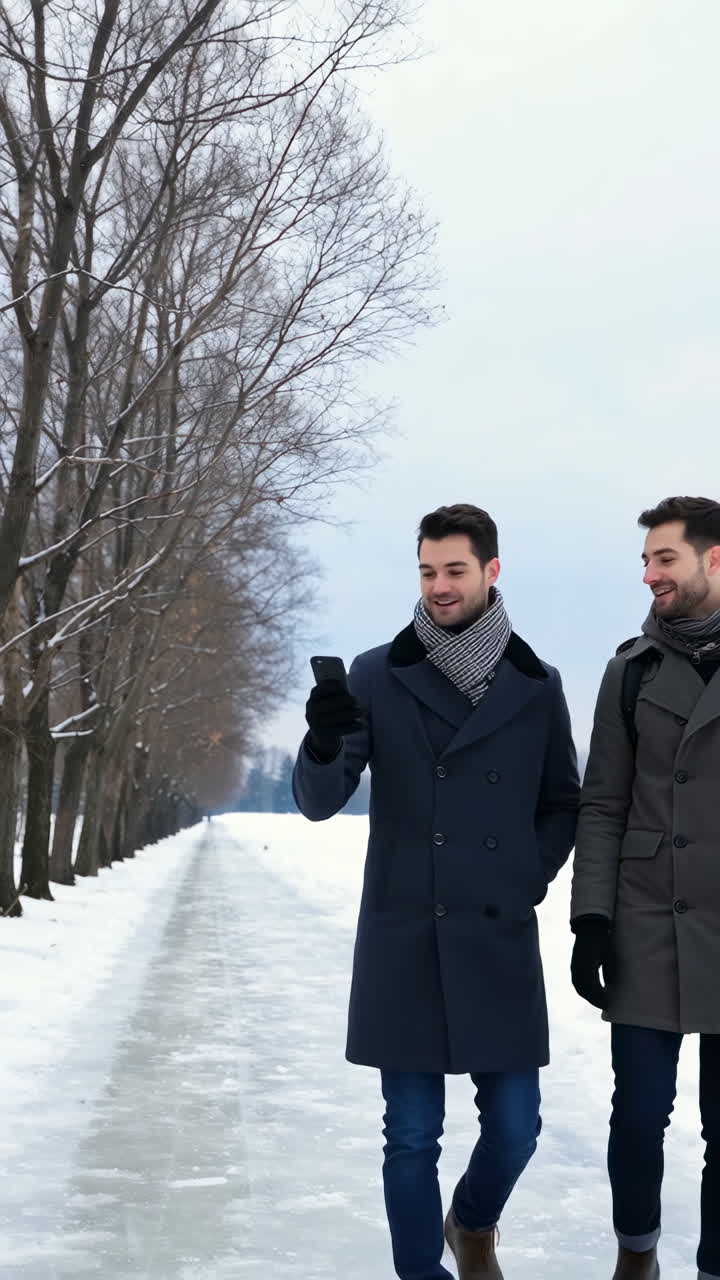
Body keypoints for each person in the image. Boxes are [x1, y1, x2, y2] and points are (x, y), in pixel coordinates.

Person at [293, 503, 579, 1280]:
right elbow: (319, 801)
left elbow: (562, 802)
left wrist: (524, 875)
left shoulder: (537, 684)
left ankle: (472, 1220)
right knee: (411, 1136)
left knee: (517, 1128)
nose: (439, 586)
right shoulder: (376, 674)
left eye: (454, 570)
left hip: (495, 934)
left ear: (491, 570)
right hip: (407, 936)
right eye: (427, 572)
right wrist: (322, 739)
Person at [570, 496, 720, 1280]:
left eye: (665, 559)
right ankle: (637, 1253)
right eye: (646, 560)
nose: (649, 574)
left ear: (714, 560)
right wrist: (590, 920)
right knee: (636, 1117)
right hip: (646, 921)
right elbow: (602, 804)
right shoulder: (629, 672)